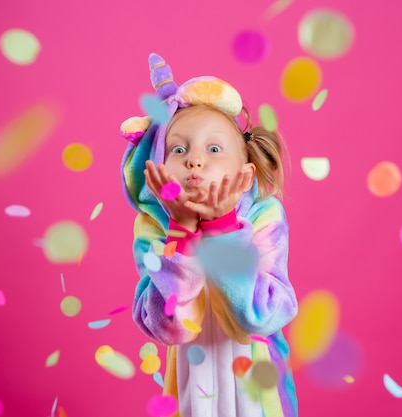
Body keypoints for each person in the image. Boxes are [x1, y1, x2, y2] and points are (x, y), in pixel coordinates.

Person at [120, 53, 298, 417]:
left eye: (213, 149)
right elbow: (166, 327)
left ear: (245, 175)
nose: (194, 160)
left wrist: (221, 230)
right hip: (190, 396)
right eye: (179, 149)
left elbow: (263, 316)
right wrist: (181, 233)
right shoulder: (154, 229)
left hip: (258, 397)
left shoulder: (264, 216)